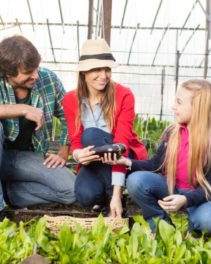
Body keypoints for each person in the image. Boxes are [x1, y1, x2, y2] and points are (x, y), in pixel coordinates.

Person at [0, 35, 76, 224]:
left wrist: (64, 151)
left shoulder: (48, 79)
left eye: (36, 68)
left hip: (22, 158)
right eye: (28, 72)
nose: (36, 75)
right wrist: (23, 109)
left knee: (71, 190)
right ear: (7, 72)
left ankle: (6, 191)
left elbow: (69, 115)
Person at [103, 79, 211, 234]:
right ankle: (161, 224)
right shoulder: (172, 133)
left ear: (198, 108)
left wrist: (186, 200)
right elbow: (156, 165)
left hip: (198, 196)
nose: (174, 106)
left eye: (179, 102)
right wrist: (127, 162)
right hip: (170, 188)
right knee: (136, 180)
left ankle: (191, 226)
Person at [62, 39, 148, 218]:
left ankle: (114, 198)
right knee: (85, 195)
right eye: (96, 69)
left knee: (91, 135)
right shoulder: (71, 99)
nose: (103, 75)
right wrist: (78, 155)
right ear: (84, 72)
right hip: (95, 162)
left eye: (107, 69)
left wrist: (116, 195)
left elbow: (121, 145)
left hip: (123, 158)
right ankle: (104, 197)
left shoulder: (124, 95)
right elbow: (76, 141)